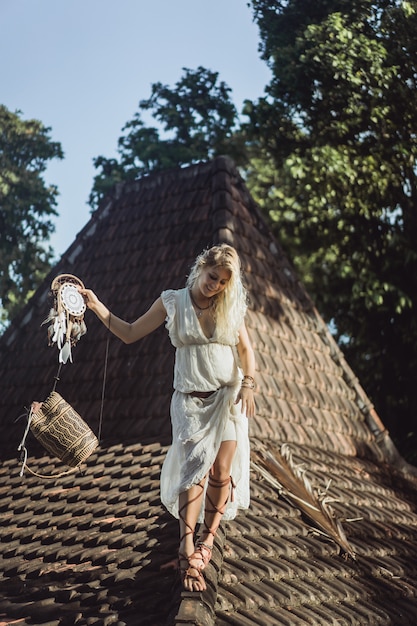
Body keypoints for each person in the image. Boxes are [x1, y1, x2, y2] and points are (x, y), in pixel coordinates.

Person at [79, 243, 256, 592]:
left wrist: (249, 383)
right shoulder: (172, 302)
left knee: (222, 471)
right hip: (190, 401)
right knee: (195, 472)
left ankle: (207, 542)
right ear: (200, 267)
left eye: (222, 281)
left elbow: (246, 350)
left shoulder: (229, 306)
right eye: (212, 277)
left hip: (228, 399)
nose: (215, 286)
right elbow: (129, 333)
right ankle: (186, 546)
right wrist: (98, 307)